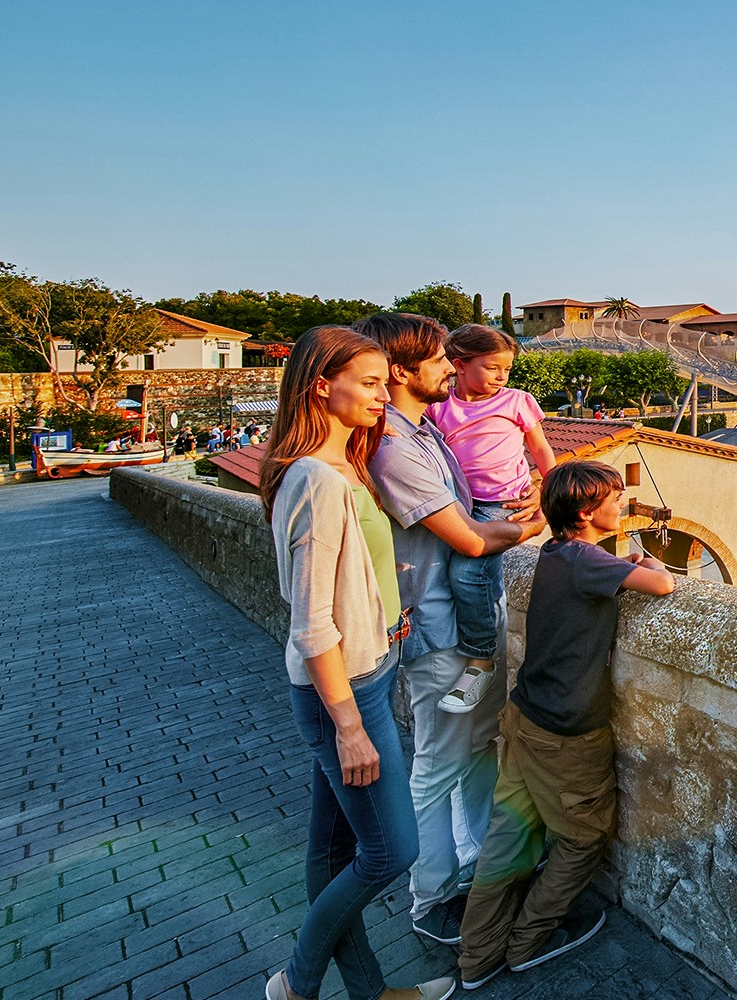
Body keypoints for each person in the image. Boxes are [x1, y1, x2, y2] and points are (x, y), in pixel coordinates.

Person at [258, 325, 454, 1000]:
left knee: (335, 850)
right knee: (390, 852)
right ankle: (297, 982)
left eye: (384, 381)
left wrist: (385, 605)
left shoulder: (346, 465)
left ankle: (368, 994)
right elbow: (310, 622)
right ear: (321, 385)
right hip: (343, 692)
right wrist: (348, 725)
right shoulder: (315, 477)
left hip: (369, 667)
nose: (383, 393)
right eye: (369, 383)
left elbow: (350, 576)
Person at [356, 313, 547, 948]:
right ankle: (431, 896)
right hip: (438, 630)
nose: (449, 366)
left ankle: (477, 868)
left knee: (469, 753)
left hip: (460, 622)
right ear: (403, 370)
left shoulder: (420, 432)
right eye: (439, 359)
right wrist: (534, 523)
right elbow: (467, 534)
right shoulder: (395, 447)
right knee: (438, 762)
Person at [457, 460, 675, 988]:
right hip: (568, 731)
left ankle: (475, 956)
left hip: (526, 715)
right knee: (583, 839)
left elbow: (598, 576)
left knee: (508, 836)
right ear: (585, 512)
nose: (621, 503)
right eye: (614, 498)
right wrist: (644, 560)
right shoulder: (586, 562)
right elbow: (663, 585)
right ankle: (527, 942)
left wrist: (623, 559)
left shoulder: (558, 554)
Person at [425, 325, 555, 715]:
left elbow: (541, 449)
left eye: (507, 370)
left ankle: (481, 659)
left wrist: (549, 490)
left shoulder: (517, 401)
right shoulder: (438, 408)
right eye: (493, 367)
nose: (502, 376)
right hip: (461, 501)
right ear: (460, 365)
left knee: (468, 573)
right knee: (452, 572)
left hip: (504, 502)